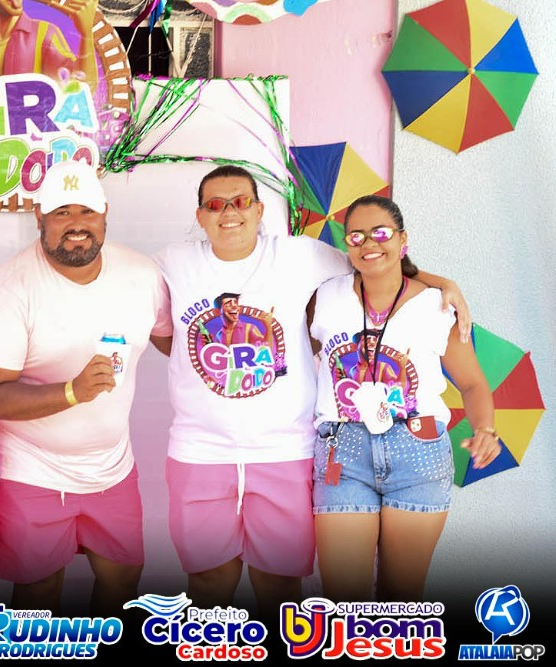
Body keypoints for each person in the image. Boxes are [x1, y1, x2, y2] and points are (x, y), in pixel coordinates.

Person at [153, 165, 469, 620]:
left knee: (280, 585)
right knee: (207, 583)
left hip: (286, 450)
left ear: (259, 209)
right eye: (215, 205)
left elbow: (374, 263)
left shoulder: (300, 255)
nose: (229, 213)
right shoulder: (172, 262)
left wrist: (442, 283)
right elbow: (161, 330)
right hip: (198, 451)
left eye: (240, 202)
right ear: (200, 215)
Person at [0, 159, 172, 616]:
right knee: (38, 598)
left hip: (112, 467)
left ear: (105, 213)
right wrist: (71, 392)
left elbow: (176, 343)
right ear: (39, 217)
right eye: (62, 212)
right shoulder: (11, 288)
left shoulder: (141, 274)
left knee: (123, 585)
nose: (76, 224)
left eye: (86, 211)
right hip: (32, 469)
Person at [310, 195, 499, 602]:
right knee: (343, 597)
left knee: (400, 596)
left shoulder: (437, 305)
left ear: (402, 238)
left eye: (380, 233)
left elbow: (472, 384)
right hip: (343, 450)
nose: (368, 243)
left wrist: (486, 428)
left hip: (418, 450)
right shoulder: (324, 296)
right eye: (356, 236)